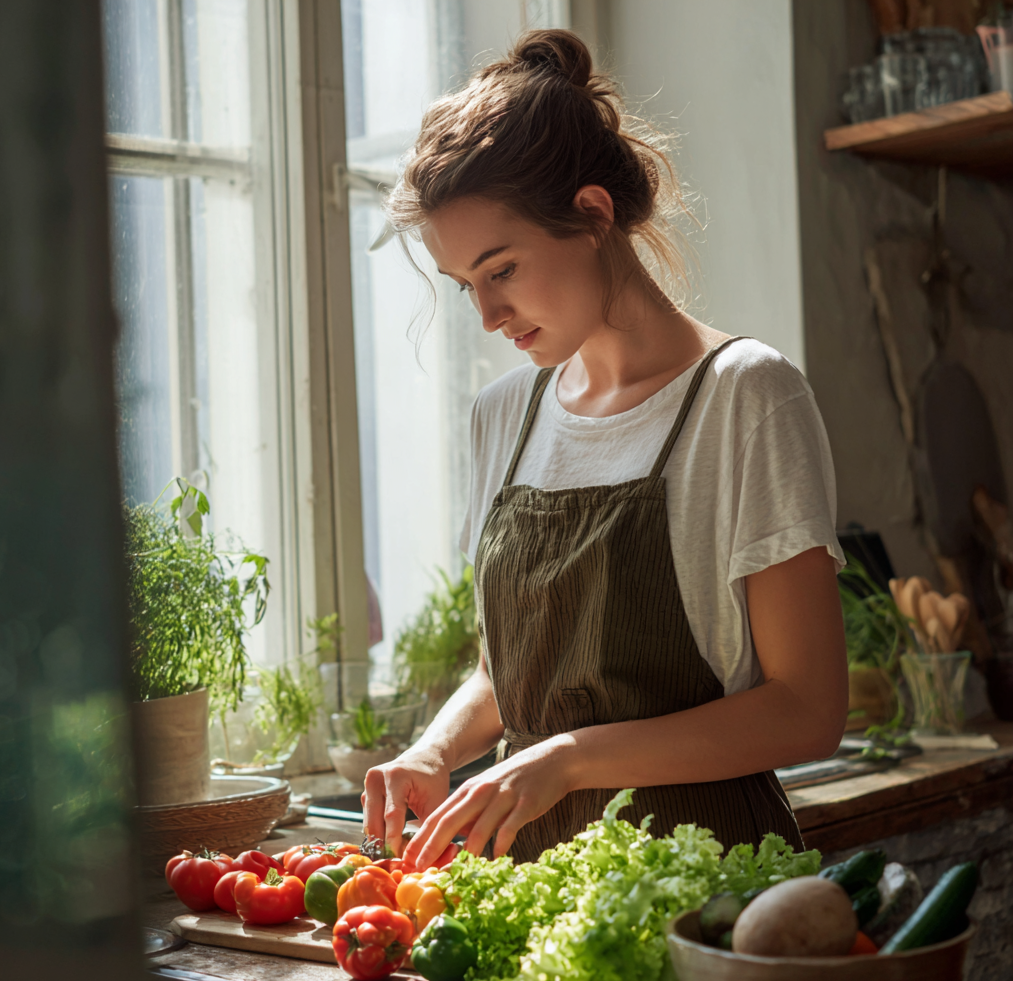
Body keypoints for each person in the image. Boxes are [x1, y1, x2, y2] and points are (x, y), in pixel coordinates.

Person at [363, 29, 848, 869]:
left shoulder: (746, 398)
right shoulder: (504, 416)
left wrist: (570, 757)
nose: (486, 316)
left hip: (705, 885)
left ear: (591, 215)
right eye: (465, 286)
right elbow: (507, 674)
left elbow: (808, 709)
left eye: (502, 269)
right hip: (534, 890)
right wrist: (434, 752)